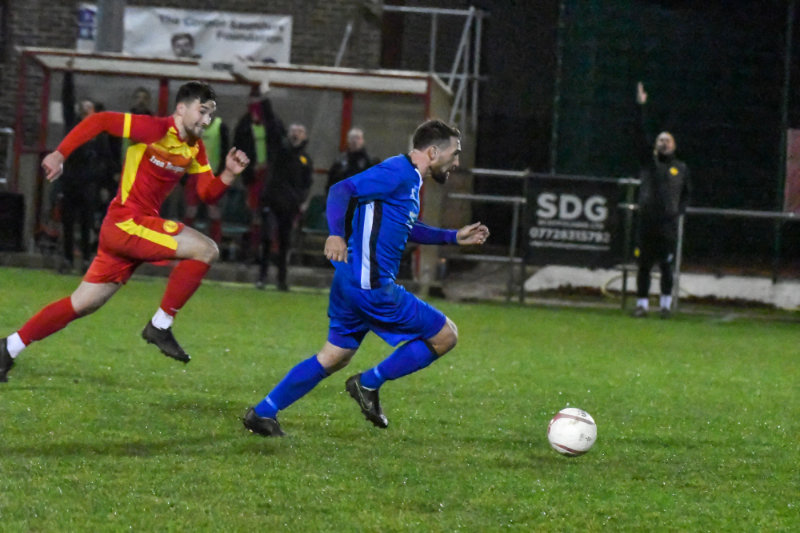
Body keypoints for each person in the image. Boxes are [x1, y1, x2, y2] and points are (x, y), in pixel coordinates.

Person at [242, 119, 490, 437]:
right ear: (432, 152)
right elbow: (340, 189)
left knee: (333, 357)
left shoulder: (407, 178)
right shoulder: (398, 172)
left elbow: (404, 226)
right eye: (454, 153)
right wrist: (335, 234)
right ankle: (368, 383)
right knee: (445, 335)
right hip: (370, 285)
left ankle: (263, 412)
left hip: (350, 281)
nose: (456, 162)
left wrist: (452, 237)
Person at [0, 81, 250, 383]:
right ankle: (160, 325)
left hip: (130, 230)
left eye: (211, 114)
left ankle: (8, 348)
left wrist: (228, 174)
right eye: (202, 111)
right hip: (126, 223)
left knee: (82, 303)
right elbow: (101, 120)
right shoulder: (153, 129)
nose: (207, 120)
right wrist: (59, 154)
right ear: (181, 108)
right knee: (206, 249)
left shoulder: (195, 148)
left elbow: (207, 194)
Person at [631, 82, 690, 319]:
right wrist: (641, 106)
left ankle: (665, 306)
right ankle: (642, 305)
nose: (663, 142)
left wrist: (678, 211)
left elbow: (686, 193)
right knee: (644, 266)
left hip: (667, 225)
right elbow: (640, 134)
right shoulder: (649, 163)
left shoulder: (681, 168)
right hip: (647, 222)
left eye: (667, 140)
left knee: (666, 266)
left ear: (674, 145)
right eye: (660, 140)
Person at [57, 71, 119, 274]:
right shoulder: (73, 127)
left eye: (89, 107)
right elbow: (67, 103)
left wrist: (107, 183)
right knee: (68, 222)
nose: (85, 110)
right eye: (83, 107)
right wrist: (68, 76)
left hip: (89, 184)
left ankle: (85, 259)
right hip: (71, 182)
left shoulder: (99, 133)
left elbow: (107, 159)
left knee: (86, 222)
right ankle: (67, 259)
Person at [256, 96, 313, 291]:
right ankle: (262, 277)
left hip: (290, 206)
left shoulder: (305, 159)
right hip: (271, 201)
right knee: (266, 237)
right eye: (293, 131)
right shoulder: (280, 149)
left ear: (305, 136)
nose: (296, 134)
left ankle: (281, 279)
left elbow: (307, 183)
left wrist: (302, 201)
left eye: (300, 132)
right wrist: (265, 99)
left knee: (284, 242)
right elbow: (272, 124)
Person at [232, 88, 270, 260]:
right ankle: (253, 249)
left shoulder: (269, 122)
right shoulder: (244, 124)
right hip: (252, 174)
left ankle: (266, 249)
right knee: (254, 212)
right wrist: (246, 167)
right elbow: (239, 147)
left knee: (266, 213)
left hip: (267, 174)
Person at [183, 115, 229, 245]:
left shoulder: (220, 127)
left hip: (211, 174)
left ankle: (215, 243)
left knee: (213, 209)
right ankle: (187, 242)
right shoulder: (192, 127)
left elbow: (225, 150)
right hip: (194, 173)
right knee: (191, 209)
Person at [326, 127, 379, 193]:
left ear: (362, 140)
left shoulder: (371, 161)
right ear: (348, 140)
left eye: (358, 138)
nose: (355, 141)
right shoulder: (340, 160)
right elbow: (331, 181)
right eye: (352, 138)